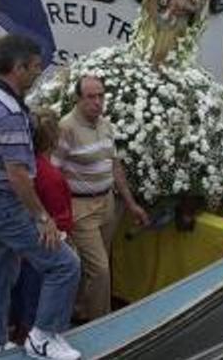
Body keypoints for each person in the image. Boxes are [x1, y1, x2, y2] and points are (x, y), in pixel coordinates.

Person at [0, 35, 81, 359]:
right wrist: (42, 218)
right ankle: (43, 338)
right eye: (35, 67)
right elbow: (18, 174)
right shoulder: (10, 113)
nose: (38, 73)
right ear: (18, 68)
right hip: (6, 204)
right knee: (65, 265)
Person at [54, 75, 149, 321]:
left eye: (101, 96)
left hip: (107, 204)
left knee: (94, 266)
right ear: (78, 99)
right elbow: (53, 172)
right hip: (81, 208)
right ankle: (101, 323)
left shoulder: (105, 125)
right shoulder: (66, 128)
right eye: (91, 97)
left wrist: (131, 204)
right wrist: (56, 214)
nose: (97, 102)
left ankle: (80, 311)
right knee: (100, 270)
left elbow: (115, 166)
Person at [13, 108, 72, 335]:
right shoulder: (50, 175)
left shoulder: (26, 169)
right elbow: (62, 217)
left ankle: (24, 328)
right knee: (41, 294)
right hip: (49, 243)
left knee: (26, 292)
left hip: (27, 242)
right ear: (54, 140)